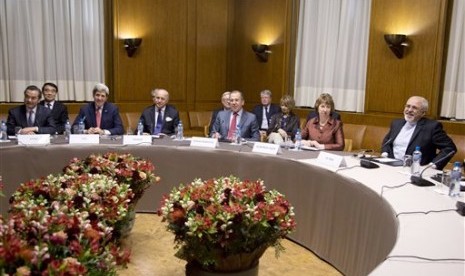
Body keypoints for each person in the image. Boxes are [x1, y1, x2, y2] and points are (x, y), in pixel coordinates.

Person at [381, 96, 456, 170]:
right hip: (391, 166)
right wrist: (385, 153)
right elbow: (387, 141)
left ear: (423, 113)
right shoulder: (396, 123)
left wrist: (433, 165)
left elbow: (450, 148)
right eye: (408, 106)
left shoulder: (431, 127)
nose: (409, 110)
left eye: (414, 108)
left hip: (416, 170)